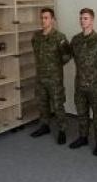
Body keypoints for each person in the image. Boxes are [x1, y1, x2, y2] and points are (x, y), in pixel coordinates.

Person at [68, 8, 97, 156]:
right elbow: (70, 55)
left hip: (95, 86)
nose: (82, 21)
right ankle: (83, 137)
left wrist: (96, 70)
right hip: (80, 84)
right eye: (81, 18)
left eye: (86, 18)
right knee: (82, 112)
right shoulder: (75, 40)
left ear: (92, 20)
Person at [29, 8, 71, 144]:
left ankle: (62, 130)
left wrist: (55, 67)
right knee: (42, 103)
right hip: (41, 77)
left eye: (46, 18)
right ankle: (44, 126)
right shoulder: (36, 37)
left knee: (58, 105)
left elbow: (67, 55)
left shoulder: (60, 37)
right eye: (41, 18)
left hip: (54, 79)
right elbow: (36, 52)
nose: (43, 20)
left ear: (52, 20)